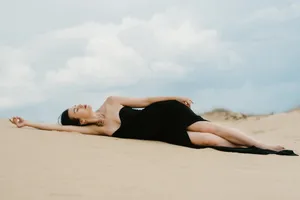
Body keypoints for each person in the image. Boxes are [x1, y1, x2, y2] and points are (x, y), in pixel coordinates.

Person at [9, 96, 297, 155]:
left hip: (167, 113)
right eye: (76, 109)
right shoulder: (96, 129)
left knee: (210, 130)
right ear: (79, 120)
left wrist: (175, 98)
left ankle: (264, 145)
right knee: (210, 142)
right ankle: (257, 150)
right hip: (163, 134)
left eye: (77, 103)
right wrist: (28, 124)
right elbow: (61, 129)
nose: (81, 104)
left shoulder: (111, 102)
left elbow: (146, 100)